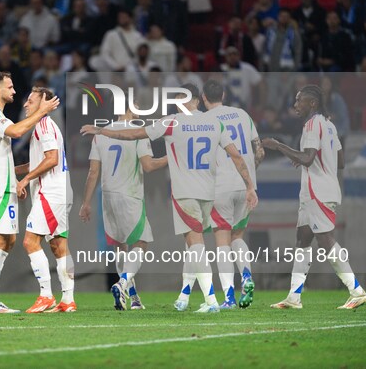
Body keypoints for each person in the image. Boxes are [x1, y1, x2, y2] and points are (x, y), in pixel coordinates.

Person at [81, 83, 258, 313]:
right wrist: (249, 186)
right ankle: (186, 295)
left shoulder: (171, 121)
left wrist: (103, 131)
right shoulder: (215, 121)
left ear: (186, 100)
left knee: (194, 245)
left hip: (184, 192)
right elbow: (236, 155)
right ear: (198, 99)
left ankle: (211, 301)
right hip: (208, 193)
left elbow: (133, 133)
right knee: (195, 244)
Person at [263, 85, 366, 310]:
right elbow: (339, 161)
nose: (295, 105)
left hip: (317, 191)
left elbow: (308, 158)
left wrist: (279, 145)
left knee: (325, 239)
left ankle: (356, 290)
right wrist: (305, 157)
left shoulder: (312, 124)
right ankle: (294, 296)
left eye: (299, 100)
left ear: (312, 103)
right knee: (303, 239)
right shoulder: (329, 125)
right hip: (320, 189)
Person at [0, 71, 59, 313]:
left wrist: (15, 181)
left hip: (5, 184)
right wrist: (42, 111)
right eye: (10, 87)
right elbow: (16, 132)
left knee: (8, 240)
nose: (14, 91)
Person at [79, 105, 167, 310]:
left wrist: (85, 203)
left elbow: (93, 172)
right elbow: (148, 166)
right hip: (129, 195)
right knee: (142, 242)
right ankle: (122, 282)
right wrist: (171, 157)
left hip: (107, 197)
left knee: (120, 246)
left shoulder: (100, 134)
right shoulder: (138, 133)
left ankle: (134, 298)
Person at [202, 80, 264, 310]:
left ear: (204, 98)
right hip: (246, 185)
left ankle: (228, 297)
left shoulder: (206, 120)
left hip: (220, 186)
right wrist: (249, 178)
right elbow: (260, 150)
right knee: (238, 236)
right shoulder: (243, 115)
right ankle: (246, 276)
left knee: (221, 241)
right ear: (224, 95)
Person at [15, 87, 75, 313]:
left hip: (51, 192)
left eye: (30, 100)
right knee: (59, 245)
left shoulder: (43, 125)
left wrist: (25, 180)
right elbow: (38, 161)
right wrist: (14, 172)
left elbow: (51, 159)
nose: (25, 105)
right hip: (59, 190)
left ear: (44, 104)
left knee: (30, 242)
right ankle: (68, 300)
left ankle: (46, 295)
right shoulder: (46, 126)